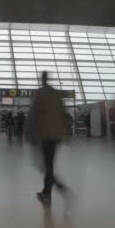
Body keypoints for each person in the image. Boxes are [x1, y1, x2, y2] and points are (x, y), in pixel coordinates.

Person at [28, 71, 69, 204]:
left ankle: (57, 188)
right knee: (48, 164)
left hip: (45, 135)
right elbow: (64, 113)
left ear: (42, 79)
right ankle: (47, 191)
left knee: (45, 165)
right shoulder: (56, 94)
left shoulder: (40, 93)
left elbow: (34, 114)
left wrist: (29, 132)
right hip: (56, 135)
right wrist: (66, 131)